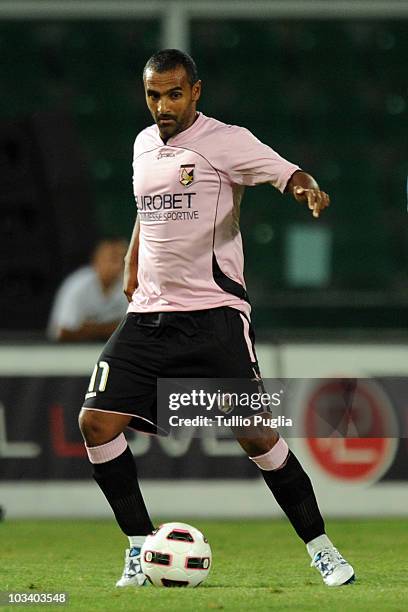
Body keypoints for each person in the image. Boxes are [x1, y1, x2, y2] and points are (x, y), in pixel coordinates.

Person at [78, 49, 355, 588]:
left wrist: (306, 189)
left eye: (174, 94)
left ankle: (322, 548)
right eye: (154, 95)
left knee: (257, 437)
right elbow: (144, 211)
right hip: (148, 316)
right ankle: (139, 547)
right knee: (95, 423)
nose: (163, 105)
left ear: (195, 92)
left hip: (214, 316)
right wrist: (134, 263)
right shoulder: (142, 145)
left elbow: (285, 172)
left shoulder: (225, 141)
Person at [47, 237, 128, 342]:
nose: (119, 265)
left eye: (123, 259)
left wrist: (90, 328)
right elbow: (62, 332)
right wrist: (111, 328)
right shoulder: (77, 286)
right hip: (69, 351)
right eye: (113, 259)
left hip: (112, 351)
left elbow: (135, 331)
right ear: (96, 260)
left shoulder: (130, 286)